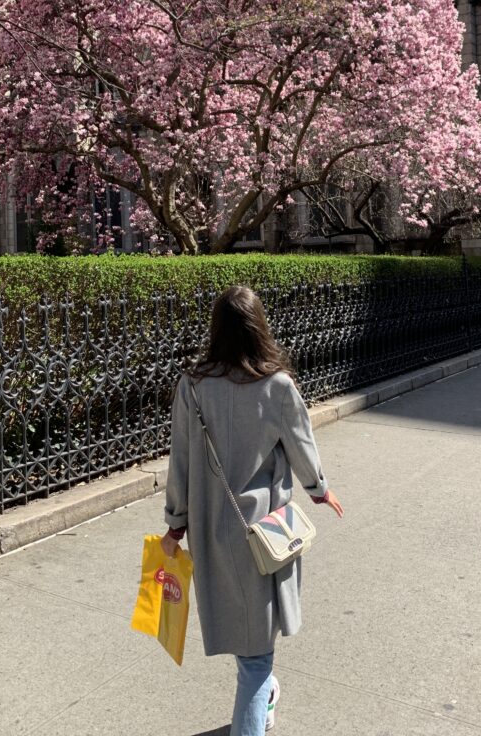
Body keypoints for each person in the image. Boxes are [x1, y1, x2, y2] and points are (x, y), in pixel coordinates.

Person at [160, 285, 344, 735]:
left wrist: (175, 523)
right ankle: (258, 707)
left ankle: (265, 696)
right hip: (263, 531)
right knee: (258, 655)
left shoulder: (193, 386)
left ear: (216, 329)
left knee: (248, 643)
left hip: (209, 528)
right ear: (259, 327)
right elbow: (302, 447)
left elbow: (180, 460)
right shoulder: (277, 386)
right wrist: (320, 490)